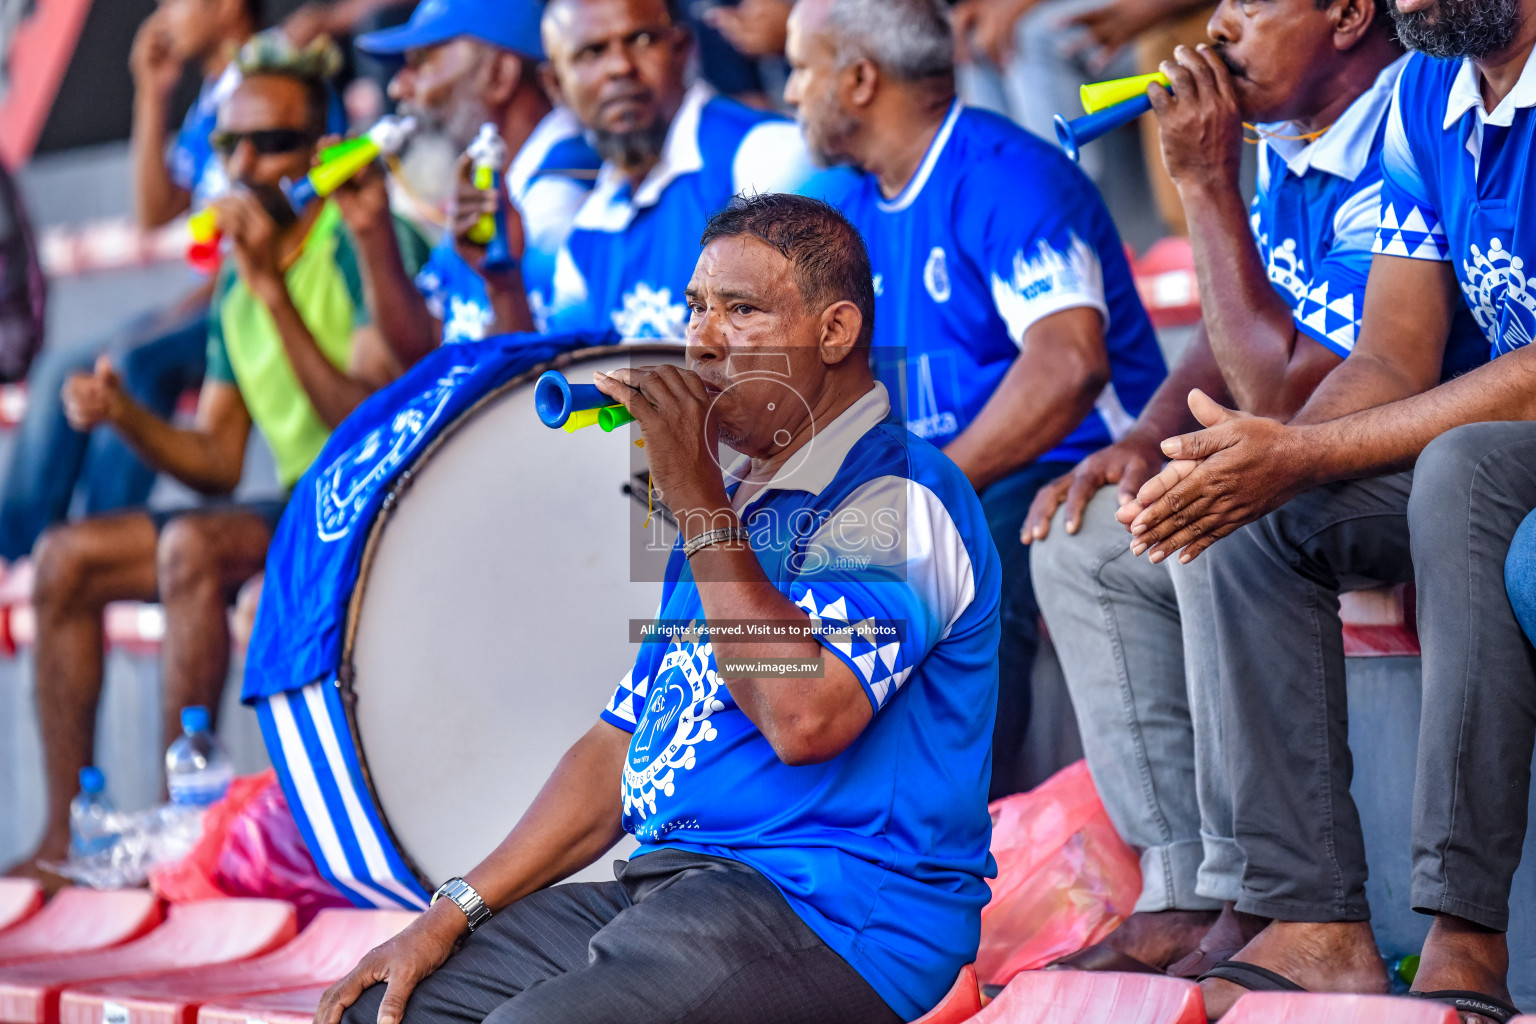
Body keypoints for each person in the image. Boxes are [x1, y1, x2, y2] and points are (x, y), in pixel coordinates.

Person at [313, 193, 1001, 1024]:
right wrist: (447, 913)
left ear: (835, 332)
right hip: (676, 884)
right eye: (695, 309)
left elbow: (803, 718)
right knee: (380, 1011)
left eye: (741, 311)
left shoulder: (906, 498)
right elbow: (622, 740)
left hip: (836, 917)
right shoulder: (732, 503)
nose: (702, 341)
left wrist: (698, 503)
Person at [1023, 0, 1490, 978]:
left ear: (1352, 17)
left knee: (1221, 512)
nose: (1222, 25)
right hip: (1327, 445)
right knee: (1083, 542)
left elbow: (1277, 385)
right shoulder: (1288, 127)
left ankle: (1257, 890)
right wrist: (1151, 438)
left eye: (1249, 1)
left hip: (1417, 453)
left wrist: (1200, 184)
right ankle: (1184, 884)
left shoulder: (1402, 117)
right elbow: (1249, 324)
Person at [3, 41, 430, 885]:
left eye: (268, 144)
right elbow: (217, 462)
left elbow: (372, 426)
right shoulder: (240, 278)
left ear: (319, 150)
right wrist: (124, 415)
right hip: (292, 508)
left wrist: (274, 289)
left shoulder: (363, 240)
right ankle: (64, 841)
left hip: (374, 507)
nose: (241, 166)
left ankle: (183, 840)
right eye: (230, 145)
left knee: (190, 549)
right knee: (65, 560)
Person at [783, 0, 1166, 798]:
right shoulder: (842, 207)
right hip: (950, 474)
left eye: (801, 66)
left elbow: (1067, 368)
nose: (788, 92)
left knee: (957, 555)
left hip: (1066, 465)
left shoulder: (1003, 175)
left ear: (857, 80)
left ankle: (944, 857)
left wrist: (923, 487)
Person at [0, 0, 260, 563]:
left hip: (260, 303)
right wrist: (151, 92)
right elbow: (154, 211)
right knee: (62, 369)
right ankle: (24, 553)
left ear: (228, 7)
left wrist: (182, 309)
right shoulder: (215, 96)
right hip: (214, 300)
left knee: (133, 358)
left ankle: (98, 552)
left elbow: (268, 253)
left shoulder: (268, 85)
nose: (166, 12)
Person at [541, 0, 822, 339]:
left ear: (683, 49)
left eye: (642, 39)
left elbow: (799, 352)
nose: (620, 66)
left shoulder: (765, 155)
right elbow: (573, 375)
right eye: (592, 52)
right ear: (556, 85)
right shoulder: (585, 233)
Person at [352, 0, 603, 356]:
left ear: (500, 75)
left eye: (422, 62)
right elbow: (425, 346)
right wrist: (372, 229)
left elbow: (541, 383)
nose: (398, 88)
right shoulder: (495, 181)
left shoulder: (562, 197)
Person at [951, 0, 1216, 236]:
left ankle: (1066, 226)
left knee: (1034, 37)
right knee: (978, 41)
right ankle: (1013, 223)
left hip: (1182, 16)